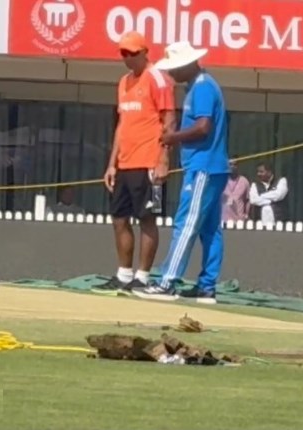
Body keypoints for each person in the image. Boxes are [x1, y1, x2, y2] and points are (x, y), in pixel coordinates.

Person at [132, 41, 229, 305]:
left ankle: (167, 282)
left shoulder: (202, 87)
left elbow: (203, 127)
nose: (171, 73)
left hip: (203, 166)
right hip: (210, 166)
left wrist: (172, 137)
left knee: (186, 224)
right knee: (210, 228)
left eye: (175, 68)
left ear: (189, 64)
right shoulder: (200, 85)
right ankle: (207, 286)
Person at [92, 31, 175, 295]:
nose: (126, 58)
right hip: (125, 163)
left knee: (147, 218)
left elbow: (169, 120)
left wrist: (163, 159)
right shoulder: (123, 82)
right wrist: (112, 164)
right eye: (123, 53)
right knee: (119, 219)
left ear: (144, 52)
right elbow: (122, 125)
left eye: (131, 53)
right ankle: (124, 274)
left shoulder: (157, 78)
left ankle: (143, 276)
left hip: (148, 161)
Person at [222, 158, 249, 223]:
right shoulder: (221, 180)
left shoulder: (244, 181)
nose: (232, 166)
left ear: (238, 166)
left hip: (239, 220)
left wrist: (246, 214)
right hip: (223, 219)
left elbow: (248, 200)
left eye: (235, 164)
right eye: (230, 164)